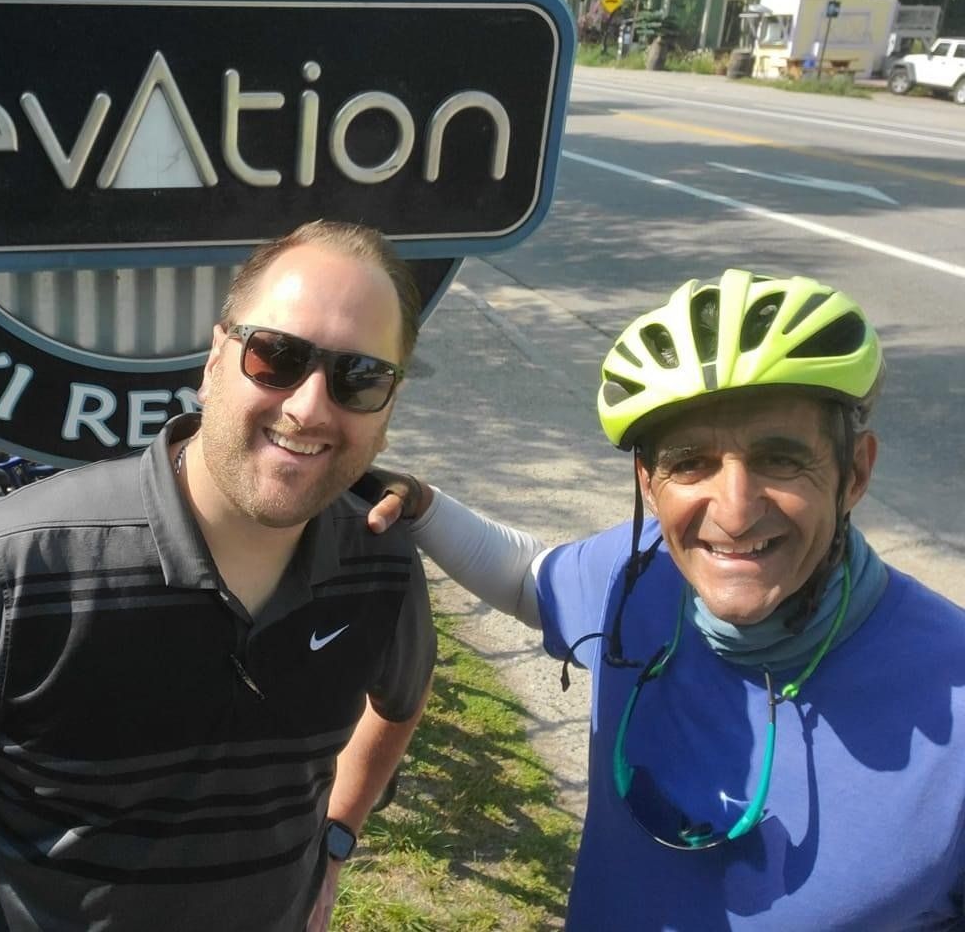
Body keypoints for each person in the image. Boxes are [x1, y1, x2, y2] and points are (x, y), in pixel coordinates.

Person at [0, 220, 436, 931]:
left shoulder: (382, 567)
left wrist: (340, 833)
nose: (308, 406)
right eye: (276, 357)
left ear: (389, 403)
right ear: (213, 360)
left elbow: (402, 696)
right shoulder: (17, 566)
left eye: (360, 377)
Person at [370, 269, 965, 929]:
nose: (735, 514)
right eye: (691, 463)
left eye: (781, 460)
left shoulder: (953, 684)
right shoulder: (638, 578)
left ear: (854, 474)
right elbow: (525, 577)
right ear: (649, 486)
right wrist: (421, 508)